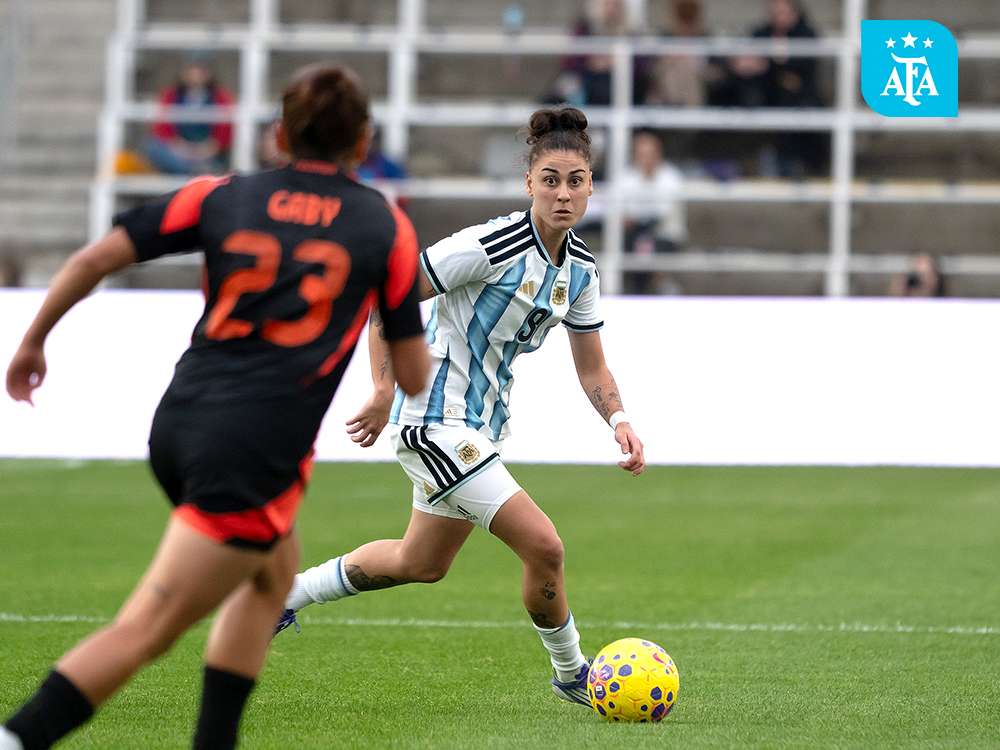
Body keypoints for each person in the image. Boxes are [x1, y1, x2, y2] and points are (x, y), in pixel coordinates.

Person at [1, 64, 429, 750]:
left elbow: (93, 261)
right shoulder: (385, 225)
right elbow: (410, 373)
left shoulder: (221, 196)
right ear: (363, 141)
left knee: (272, 576)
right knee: (147, 629)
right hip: (251, 450)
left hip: (180, 420)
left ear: (279, 134)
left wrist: (32, 342)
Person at [275, 106, 646, 708]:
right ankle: (573, 671)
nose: (562, 193)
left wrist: (619, 420)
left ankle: (284, 595)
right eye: (550, 180)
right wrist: (383, 389)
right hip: (432, 419)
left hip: (480, 426)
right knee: (545, 545)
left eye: (575, 181)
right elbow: (389, 298)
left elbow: (592, 365)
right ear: (529, 183)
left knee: (419, 562)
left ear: (590, 188)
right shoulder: (491, 245)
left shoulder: (580, 270)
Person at [729, 0, 826, 177]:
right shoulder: (761, 33)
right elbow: (744, 63)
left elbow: (798, 76)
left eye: (783, 12)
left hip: (797, 98)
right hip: (764, 95)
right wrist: (773, 69)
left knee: (789, 100)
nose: (779, 17)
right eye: (775, 12)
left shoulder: (805, 35)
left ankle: (791, 164)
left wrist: (767, 66)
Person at [142, 53, 236, 175]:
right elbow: (162, 131)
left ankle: (196, 170)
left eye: (200, 69)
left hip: (208, 153)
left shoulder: (221, 97)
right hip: (178, 152)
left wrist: (205, 150)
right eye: (191, 69)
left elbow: (225, 135)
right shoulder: (170, 96)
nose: (195, 74)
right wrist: (183, 149)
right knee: (152, 147)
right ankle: (193, 170)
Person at [619, 130, 686, 295]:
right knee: (636, 242)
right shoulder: (625, 179)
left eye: (650, 154)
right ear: (635, 156)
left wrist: (640, 216)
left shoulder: (672, 177)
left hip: (662, 233)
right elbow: (623, 215)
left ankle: (662, 285)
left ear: (658, 154)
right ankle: (642, 291)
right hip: (633, 233)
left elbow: (665, 214)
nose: (646, 159)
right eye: (642, 154)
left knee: (654, 242)